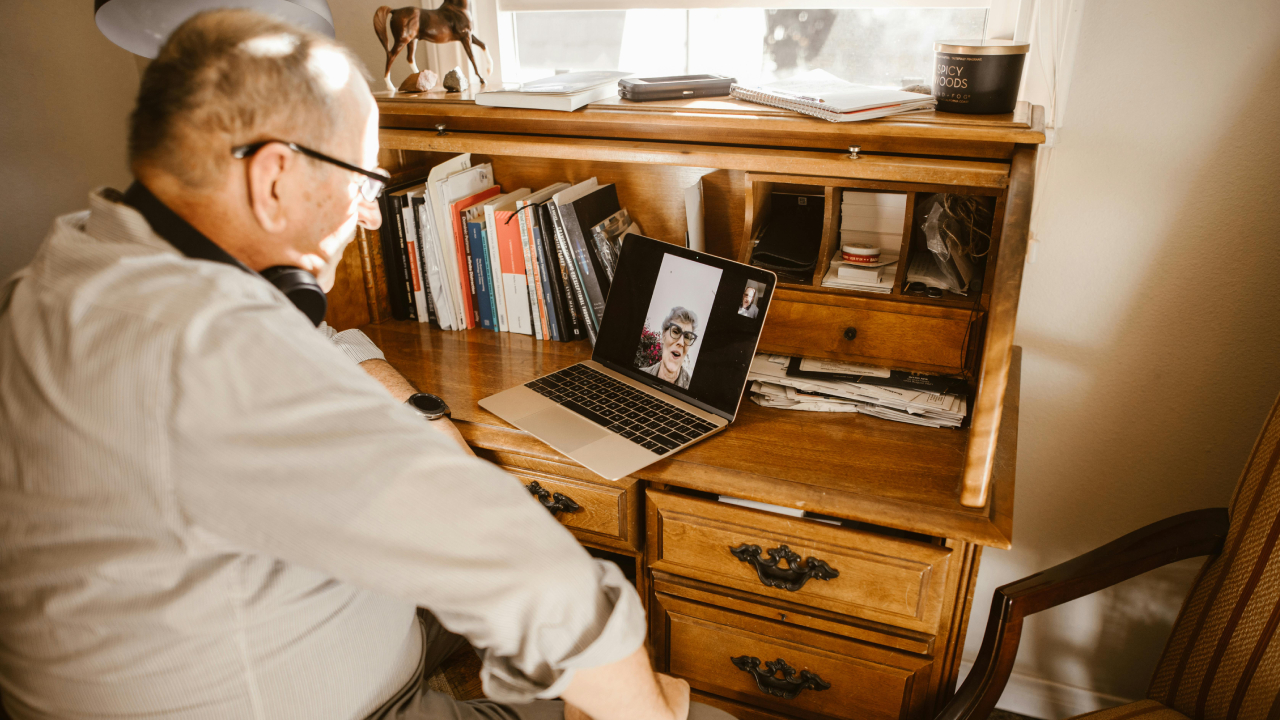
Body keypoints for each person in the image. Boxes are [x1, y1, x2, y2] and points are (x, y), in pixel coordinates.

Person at [0, 11, 730, 720]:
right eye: (362, 182)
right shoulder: (221, 356)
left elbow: (294, 356)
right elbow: (545, 587)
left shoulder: (64, 273)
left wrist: (410, 412)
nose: (372, 215)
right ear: (275, 179)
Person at [639, 307, 697, 390]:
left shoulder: (692, 390)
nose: (681, 342)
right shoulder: (641, 376)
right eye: (675, 332)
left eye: (687, 337)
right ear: (663, 336)